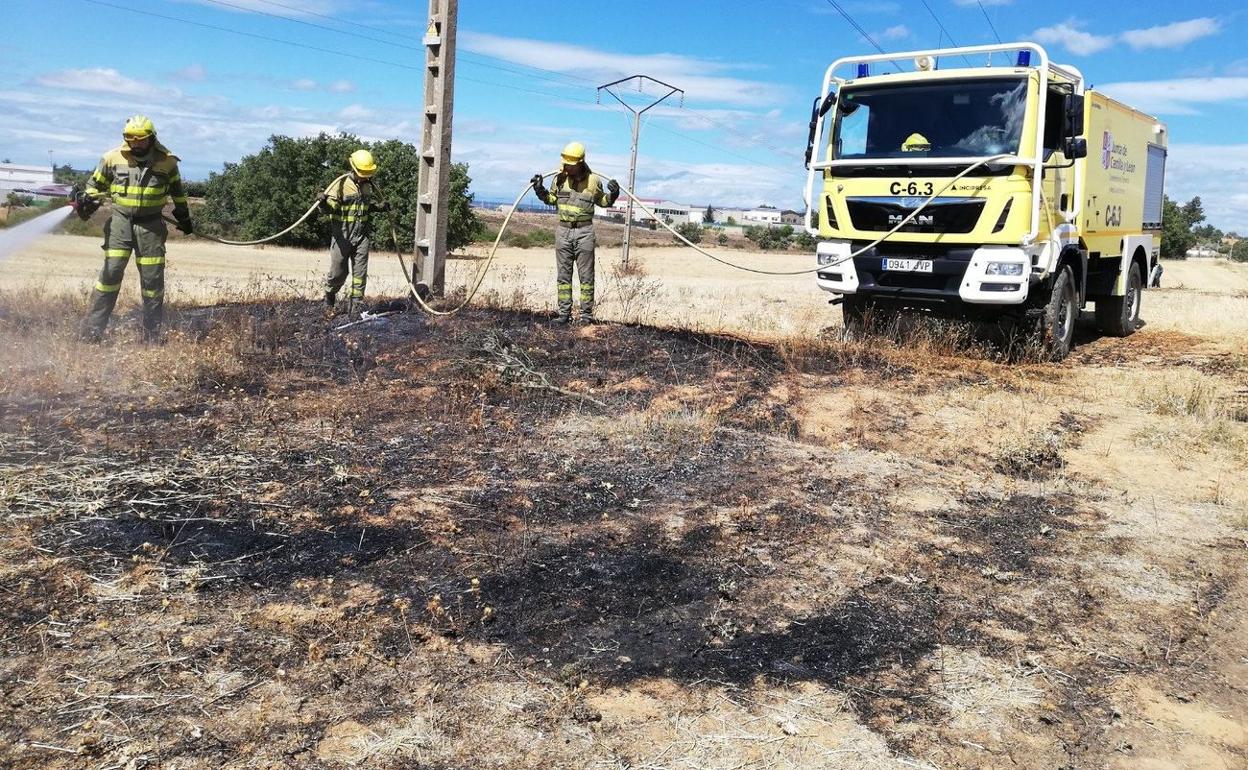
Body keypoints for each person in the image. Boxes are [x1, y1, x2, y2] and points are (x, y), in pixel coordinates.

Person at [80, 115, 192, 342]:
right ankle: (92, 332)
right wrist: (88, 200)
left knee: (152, 282)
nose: (136, 144)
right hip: (121, 222)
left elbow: (177, 192)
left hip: (151, 226)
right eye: (131, 139)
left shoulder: (167, 162)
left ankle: (151, 336)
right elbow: (95, 184)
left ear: (151, 139)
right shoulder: (112, 158)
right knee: (110, 274)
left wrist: (184, 216)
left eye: (141, 140)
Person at [531, 142, 620, 324]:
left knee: (586, 277)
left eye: (570, 164)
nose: (567, 167)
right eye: (565, 163)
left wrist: (614, 194)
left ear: (580, 162)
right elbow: (551, 199)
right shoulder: (559, 179)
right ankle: (564, 314)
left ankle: (586, 316)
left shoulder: (594, 181)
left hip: (584, 232)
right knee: (563, 276)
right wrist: (539, 190)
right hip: (563, 231)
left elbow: (603, 202)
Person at [319, 149, 387, 317]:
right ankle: (329, 299)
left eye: (367, 174)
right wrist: (323, 203)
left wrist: (378, 208)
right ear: (354, 168)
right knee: (338, 273)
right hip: (342, 236)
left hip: (362, 237)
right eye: (362, 174)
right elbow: (331, 208)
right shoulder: (340, 185)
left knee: (360, 275)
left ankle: (355, 309)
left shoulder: (368, 186)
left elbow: (364, 207)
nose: (365, 177)